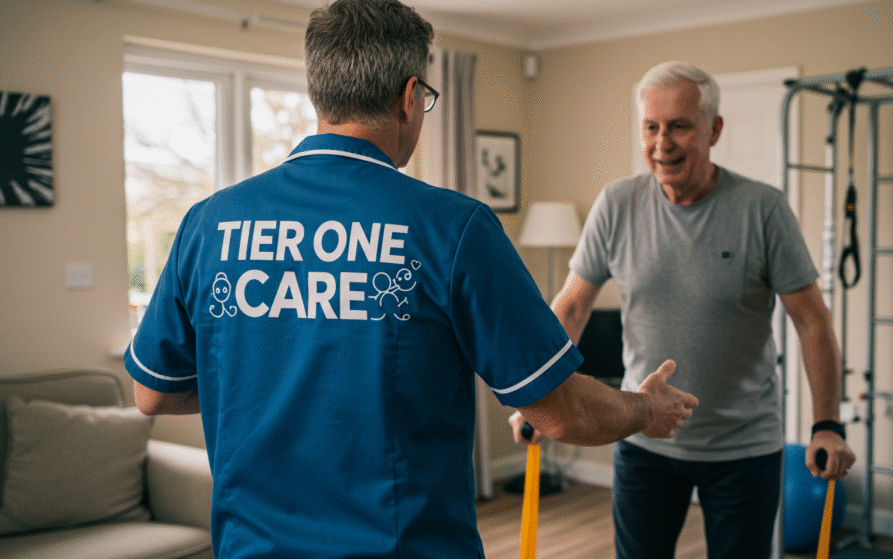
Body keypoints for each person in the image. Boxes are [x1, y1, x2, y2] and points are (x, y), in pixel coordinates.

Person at [124, 2, 698, 558]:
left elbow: (151, 392)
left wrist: (270, 377)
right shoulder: (452, 227)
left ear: (318, 95)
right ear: (409, 96)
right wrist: (645, 410)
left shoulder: (209, 223)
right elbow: (562, 411)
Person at [509, 61, 856, 559]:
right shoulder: (616, 204)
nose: (661, 142)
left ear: (713, 130)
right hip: (642, 436)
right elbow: (571, 305)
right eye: (650, 126)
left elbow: (811, 321)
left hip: (744, 447)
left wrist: (828, 424)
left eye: (679, 126)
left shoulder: (764, 210)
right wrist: (541, 397)